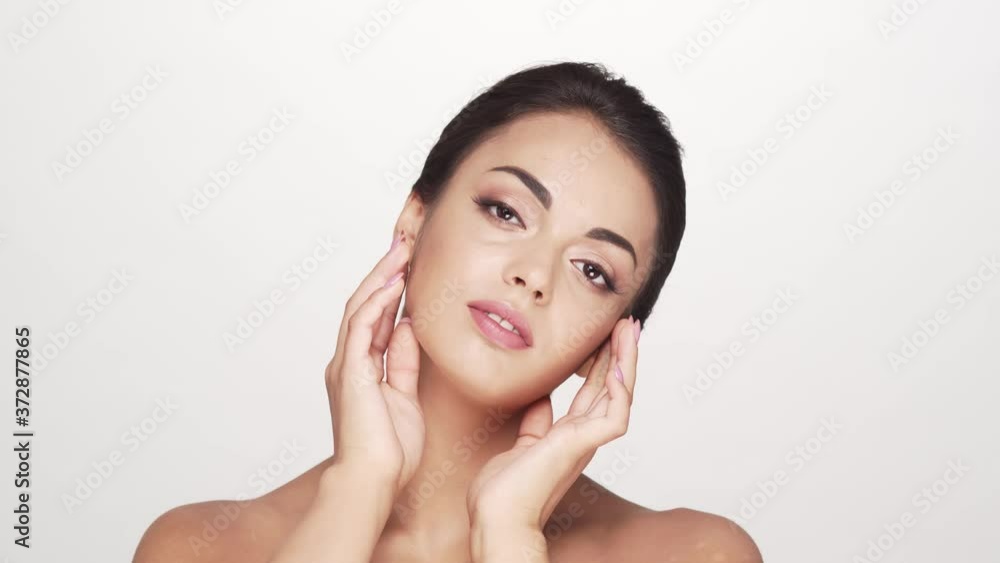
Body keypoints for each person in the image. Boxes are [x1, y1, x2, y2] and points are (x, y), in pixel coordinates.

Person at [133, 61, 763, 563]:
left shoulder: (696, 554)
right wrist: (358, 489)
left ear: (612, 340)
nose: (534, 275)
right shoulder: (199, 547)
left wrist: (508, 535)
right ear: (415, 218)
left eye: (592, 270)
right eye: (506, 212)